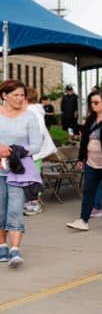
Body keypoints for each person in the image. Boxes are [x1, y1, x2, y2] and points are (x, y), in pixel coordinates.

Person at [0, 80, 42, 268]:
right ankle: (2, 245)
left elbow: (36, 145)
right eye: (16, 95)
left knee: (15, 209)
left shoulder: (30, 116)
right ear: (4, 96)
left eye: (22, 95)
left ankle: (14, 249)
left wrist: (14, 150)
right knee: (0, 210)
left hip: (19, 170)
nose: (20, 98)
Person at [66, 90, 102, 232]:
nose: (93, 105)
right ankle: (83, 220)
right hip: (91, 162)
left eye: (96, 102)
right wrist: (81, 158)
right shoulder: (90, 120)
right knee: (88, 190)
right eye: (91, 103)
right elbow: (84, 140)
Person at [22, 88, 56, 216]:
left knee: (32, 177)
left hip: (33, 151)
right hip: (34, 151)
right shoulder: (35, 110)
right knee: (32, 176)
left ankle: (34, 204)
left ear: (26, 98)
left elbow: (39, 130)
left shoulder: (32, 111)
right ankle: (32, 202)